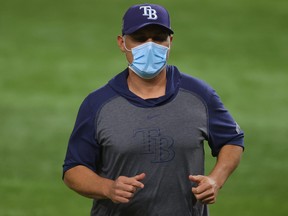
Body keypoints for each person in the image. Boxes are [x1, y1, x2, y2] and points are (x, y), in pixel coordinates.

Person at [62, 3, 244, 216]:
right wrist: (107, 188)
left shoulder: (200, 95)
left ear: (170, 42)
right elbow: (73, 170)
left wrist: (215, 180)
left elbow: (231, 140)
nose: (150, 45)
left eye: (158, 38)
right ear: (122, 43)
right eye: (140, 38)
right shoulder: (98, 104)